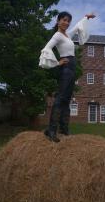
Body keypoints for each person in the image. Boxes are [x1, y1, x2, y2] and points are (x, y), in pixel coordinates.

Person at [39, 11, 96, 142]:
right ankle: (51, 130)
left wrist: (86, 17)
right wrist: (57, 62)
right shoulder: (58, 35)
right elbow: (46, 48)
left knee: (66, 100)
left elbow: (77, 27)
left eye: (68, 20)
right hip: (65, 68)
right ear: (58, 21)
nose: (66, 22)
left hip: (72, 68)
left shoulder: (67, 36)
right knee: (60, 98)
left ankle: (64, 129)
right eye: (64, 20)